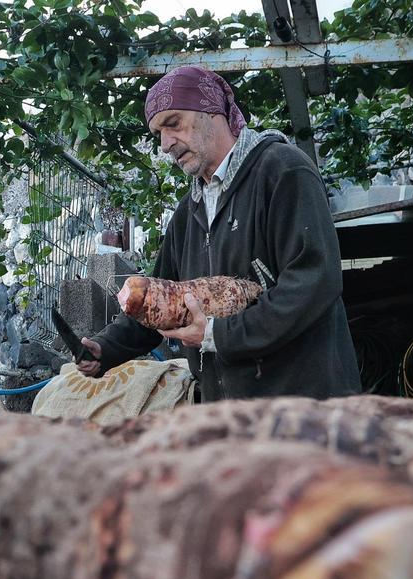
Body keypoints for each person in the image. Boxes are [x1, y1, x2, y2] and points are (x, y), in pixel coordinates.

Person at [77, 65, 361, 401]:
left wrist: (218, 334)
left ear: (214, 113)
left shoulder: (283, 171)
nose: (166, 144)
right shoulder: (188, 212)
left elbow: (314, 282)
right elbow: (159, 299)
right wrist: (105, 348)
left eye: (173, 123)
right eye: (158, 133)